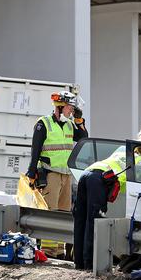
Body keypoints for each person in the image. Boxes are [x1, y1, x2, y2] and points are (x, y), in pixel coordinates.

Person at [73, 145, 141, 270]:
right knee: (94, 222)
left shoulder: (122, 151)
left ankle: (79, 262)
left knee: (80, 220)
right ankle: (89, 264)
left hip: (86, 173)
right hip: (98, 180)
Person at [26, 90, 88, 258]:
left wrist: (79, 120)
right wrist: (31, 173)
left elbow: (83, 137)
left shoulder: (69, 124)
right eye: (69, 108)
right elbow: (35, 150)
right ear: (60, 107)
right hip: (50, 174)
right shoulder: (43, 123)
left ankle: (59, 250)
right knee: (50, 211)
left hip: (66, 176)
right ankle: (48, 250)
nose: (71, 111)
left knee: (63, 213)